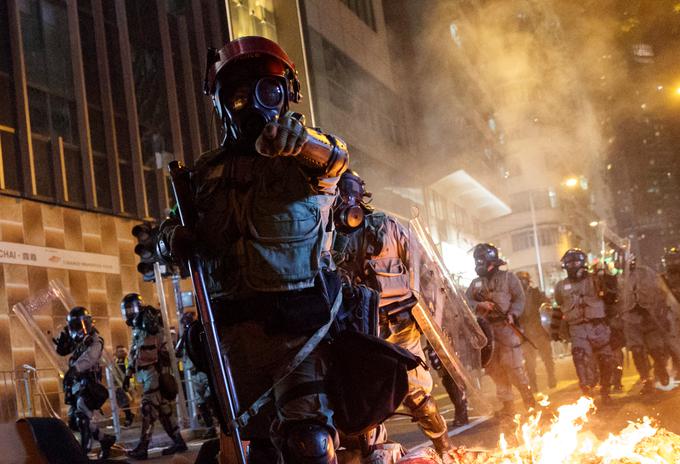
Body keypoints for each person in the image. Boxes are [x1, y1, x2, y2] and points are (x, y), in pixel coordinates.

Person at [158, 36, 349, 463]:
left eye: (268, 90)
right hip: (233, 339)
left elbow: (337, 158)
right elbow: (168, 227)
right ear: (223, 104)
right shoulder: (204, 173)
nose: (254, 104)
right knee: (254, 451)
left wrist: (302, 142)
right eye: (240, 94)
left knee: (309, 443)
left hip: (297, 333)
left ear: (286, 96)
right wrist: (172, 238)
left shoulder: (306, 158)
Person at [333, 170, 454, 458]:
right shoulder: (329, 237)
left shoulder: (388, 227)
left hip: (400, 327)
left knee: (418, 397)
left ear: (360, 198)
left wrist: (432, 326)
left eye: (347, 194)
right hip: (360, 333)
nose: (343, 201)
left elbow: (427, 273)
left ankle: (445, 449)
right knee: (363, 404)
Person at [466, 244, 534, 417]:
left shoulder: (508, 278)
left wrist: (513, 314)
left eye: (481, 260)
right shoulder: (475, 284)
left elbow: (519, 299)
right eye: (477, 260)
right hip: (486, 332)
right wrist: (479, 305)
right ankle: (508, 405)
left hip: (506, 328)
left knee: (514, 367)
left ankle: (529, 400)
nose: (478, 263)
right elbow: (466, 302)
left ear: (491, 261)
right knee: (495, 370)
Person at [122, 293, 187, 459]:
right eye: (127, 309)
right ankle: (178, 441)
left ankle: (143, 447)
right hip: (148, 373)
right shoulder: (138, 327)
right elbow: (134, 351)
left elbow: (149, 348)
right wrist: (128, 373)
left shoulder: (148, 324)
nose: (129, 312)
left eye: (131, 308)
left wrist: (131, 370)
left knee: (148, 409)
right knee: (164, 411)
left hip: (153, 372)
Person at [551, 249, 615, 403]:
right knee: (580, 356)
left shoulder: (596, 280)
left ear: (583, 264)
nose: (573, 266)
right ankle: (587, 389)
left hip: (598, 326)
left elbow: (611, 296)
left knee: (606, 359)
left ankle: (605, 389)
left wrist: (605, 276)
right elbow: (557, 308)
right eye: (570, 263)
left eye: (576, 262)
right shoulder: (560, 286)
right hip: (577, 328)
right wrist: (554, 330)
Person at [53, 307, 115, 458]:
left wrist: (75, 369)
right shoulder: (79, 341)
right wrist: (62, 344)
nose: (77, 329)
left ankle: (83, 454)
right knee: (75, 420)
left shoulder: (94, 339)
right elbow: (63, 351)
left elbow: (91, 356)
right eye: (74, 326)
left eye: (79, 325)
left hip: (89, 383)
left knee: (82, 416)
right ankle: (104, 439)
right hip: (77, 383)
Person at [621, 256, 671, 393]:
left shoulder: (647, 272)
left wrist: (661, 311)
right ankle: (646, 380)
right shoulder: (617, 278)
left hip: (649, 317)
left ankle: (660, 368)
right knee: (637, 351)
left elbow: (660, 292)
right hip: (630, 320)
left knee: (656, 349)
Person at [175, 311, 217, 439]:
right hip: (193, 374)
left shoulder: (198, 332)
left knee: (212, 398)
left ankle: (219, 422)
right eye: (184, 321)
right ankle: (211, 427)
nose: (186, 322)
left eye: (188, 319)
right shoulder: (185, 336)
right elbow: (178, 352)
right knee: (201, 403)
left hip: (204, 371)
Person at [515, 271, 556, 392]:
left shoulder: (536, 293)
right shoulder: (515, 298)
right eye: (519, 281)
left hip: (539, 329)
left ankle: (551, 376)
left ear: (528, 281)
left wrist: (546, 306)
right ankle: (533, 385)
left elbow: (546, 305)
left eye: (524, 280)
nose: (522, 283)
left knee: (547, 357)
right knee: (529, 363)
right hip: (525, 333)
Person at [114, 345, 135, 427]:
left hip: (129, 383)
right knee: (123, 402)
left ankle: (129, 417)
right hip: (120, 384)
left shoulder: (128, 360)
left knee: (126, 402)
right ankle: (129, 416)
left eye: (122, 351)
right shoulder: (116, 361)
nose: (121, 353)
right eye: (119, 351)